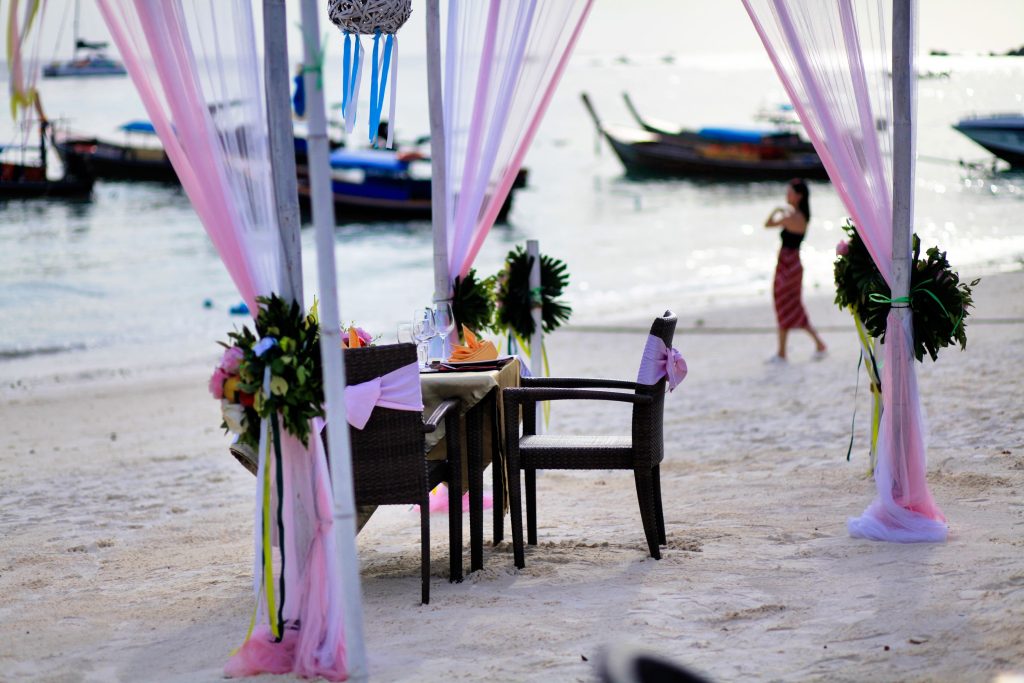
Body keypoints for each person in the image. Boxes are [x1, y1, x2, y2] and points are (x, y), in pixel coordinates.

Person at [764, 178, 827, 363]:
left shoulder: (793, 217)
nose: (787, 195)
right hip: (790, 264)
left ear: (798, 196)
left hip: (789, 265)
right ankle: (814, 344)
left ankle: (783, 352)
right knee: (789, 305)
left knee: (783, 303)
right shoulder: (800, 215)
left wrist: (777, 210)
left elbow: (768, 224)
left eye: (790, 192)